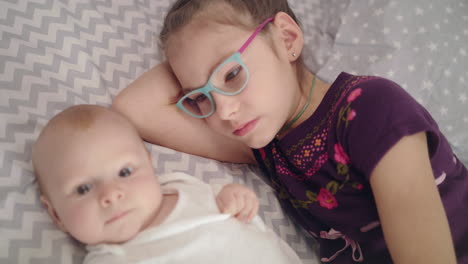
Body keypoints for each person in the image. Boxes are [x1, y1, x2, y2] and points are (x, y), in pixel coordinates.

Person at [112, 0, 468, 263]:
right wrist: (189, 57)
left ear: (286, 38)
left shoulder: (370, 106)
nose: (224, 111)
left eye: (232, 74)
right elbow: (133, 108)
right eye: (200, 97)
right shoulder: (266, 146)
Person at [31, 104, 303, 264]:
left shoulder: (182, 185)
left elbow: (227, 213)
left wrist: (235, 198)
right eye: (83, 189)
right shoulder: (110, 258)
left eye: (125, 172)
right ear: (56, 215)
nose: (111, 194)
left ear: (149, 164)